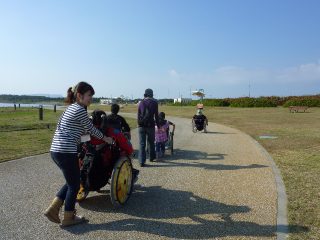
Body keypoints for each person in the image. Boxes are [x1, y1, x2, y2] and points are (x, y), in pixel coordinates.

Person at [44, 82, 113, 227]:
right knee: (74, 185)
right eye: (89, 95)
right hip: (65, 151)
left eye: (92, 96)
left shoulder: (70, 109)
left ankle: (53, 208)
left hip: (56, 150)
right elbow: (91, 130)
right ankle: (69, 217)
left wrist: (88, 140)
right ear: (80, 95)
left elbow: (81, 134)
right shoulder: (80, 110)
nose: (91, 99)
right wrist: (106, 138)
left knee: (71, 181)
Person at [137, 88, 159, 167]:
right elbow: (156, 116)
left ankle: (141, 161)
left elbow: (138, 115)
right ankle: (151, 157)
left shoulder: (140, 103)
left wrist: (139, 124)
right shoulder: (154, 103)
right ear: (152, 94)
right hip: (150, 125)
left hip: (141, 126)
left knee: (142, 144)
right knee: (151, 142)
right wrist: (158, 126)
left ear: (145, 94)